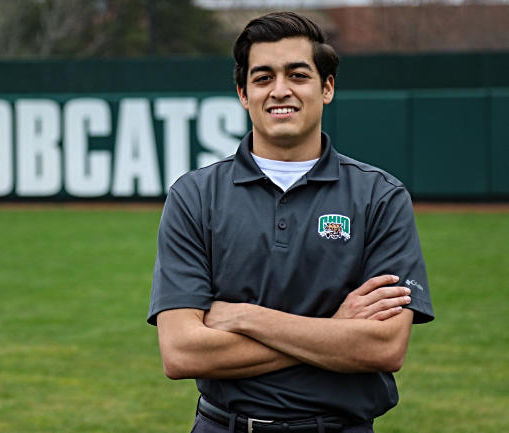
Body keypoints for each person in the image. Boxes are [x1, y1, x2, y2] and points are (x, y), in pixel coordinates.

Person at [148, 11, 434, 433]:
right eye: (263, 78)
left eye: (297, 75)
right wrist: (334, 332)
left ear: (327, 87)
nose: (280, 90)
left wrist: (246, 317)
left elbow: (385, 347)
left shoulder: (380, 197)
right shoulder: (194, 196)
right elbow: (182, 353)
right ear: (244, 94)